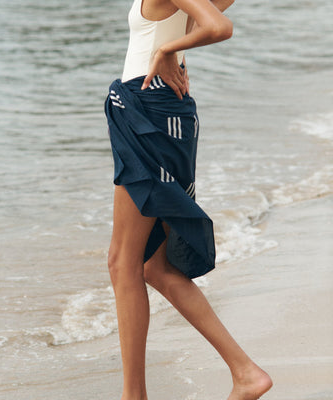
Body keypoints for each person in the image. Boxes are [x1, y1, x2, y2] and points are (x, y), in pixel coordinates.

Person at [104, 0, 273, 399]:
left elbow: (219, 26)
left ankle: (134, 396)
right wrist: (174, 49)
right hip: (157, 110)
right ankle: (245, 373)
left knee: (123, 262)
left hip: (149, 113)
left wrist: (168, 50)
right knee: (154, 267)